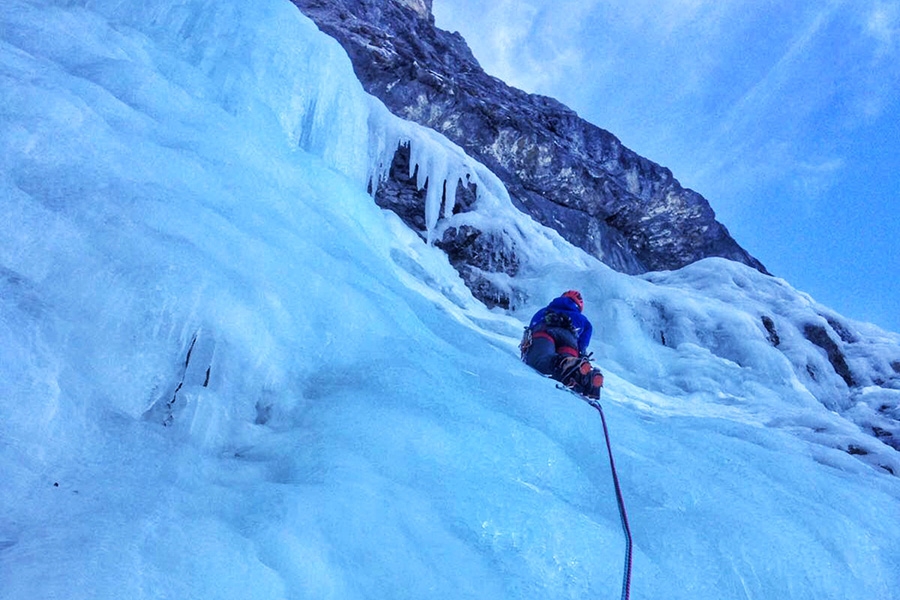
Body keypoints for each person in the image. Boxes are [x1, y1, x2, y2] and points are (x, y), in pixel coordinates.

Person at [520, 290, 604, 398]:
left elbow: (532, 328)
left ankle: (565, 365)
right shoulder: (584, 320)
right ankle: (585, 378)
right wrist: (581, 354)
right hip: (570, 340)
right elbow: (582, 345)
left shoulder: (544, 311)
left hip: (545, 332)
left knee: (540, 360)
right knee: (571, 367)